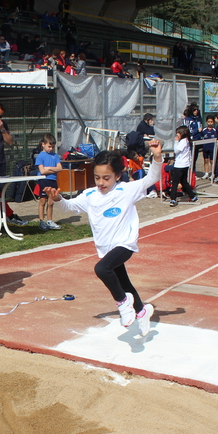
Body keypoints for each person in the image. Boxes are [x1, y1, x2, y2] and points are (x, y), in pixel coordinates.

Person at [43, 140, 164, 336]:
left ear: (117, 175)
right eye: (97, 177)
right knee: (124, 283)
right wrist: (58, 199)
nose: (101, 183)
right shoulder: (90, 194)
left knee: (102, 269)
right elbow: (69, 207)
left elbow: (152, 177)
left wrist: (157, 157)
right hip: (106, 248)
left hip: (124, 244)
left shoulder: (126, 190)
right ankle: (142, 310)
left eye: (106, 178)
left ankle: (123, 303)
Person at [35, 133, 62, 230]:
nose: (51, 149)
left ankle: (50, 221)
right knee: (43, 200)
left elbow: (60, 168)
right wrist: (54, 169)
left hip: (53, 180)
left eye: (52, 147)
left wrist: (49, 168)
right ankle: (41, 221)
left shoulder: (55, 156)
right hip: (43, 180)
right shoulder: (40, 156)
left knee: (51, 202)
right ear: (43, 144)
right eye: (49, 146)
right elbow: (42, 171)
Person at [168, 125, 197, 207]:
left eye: (178, 134)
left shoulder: (183, 141)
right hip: (185, 164)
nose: (177, 135)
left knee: (175, 182)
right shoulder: (186, 140)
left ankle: (173, 199)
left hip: (180, 165)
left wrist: (176, 142)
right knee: (183, 181)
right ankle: (192, 196)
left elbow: (176, 150)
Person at [199, 115, 217, 180]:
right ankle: (206, 173)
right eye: (209, 121)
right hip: (205, 147)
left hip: (212, 148)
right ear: (206, 122)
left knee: (212, 161)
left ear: (213, 122)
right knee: (206, 160)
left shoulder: (215, 130)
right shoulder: (204, 130)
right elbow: (201, 137)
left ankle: (213, 173)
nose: (210, 123)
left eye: (211, 122)